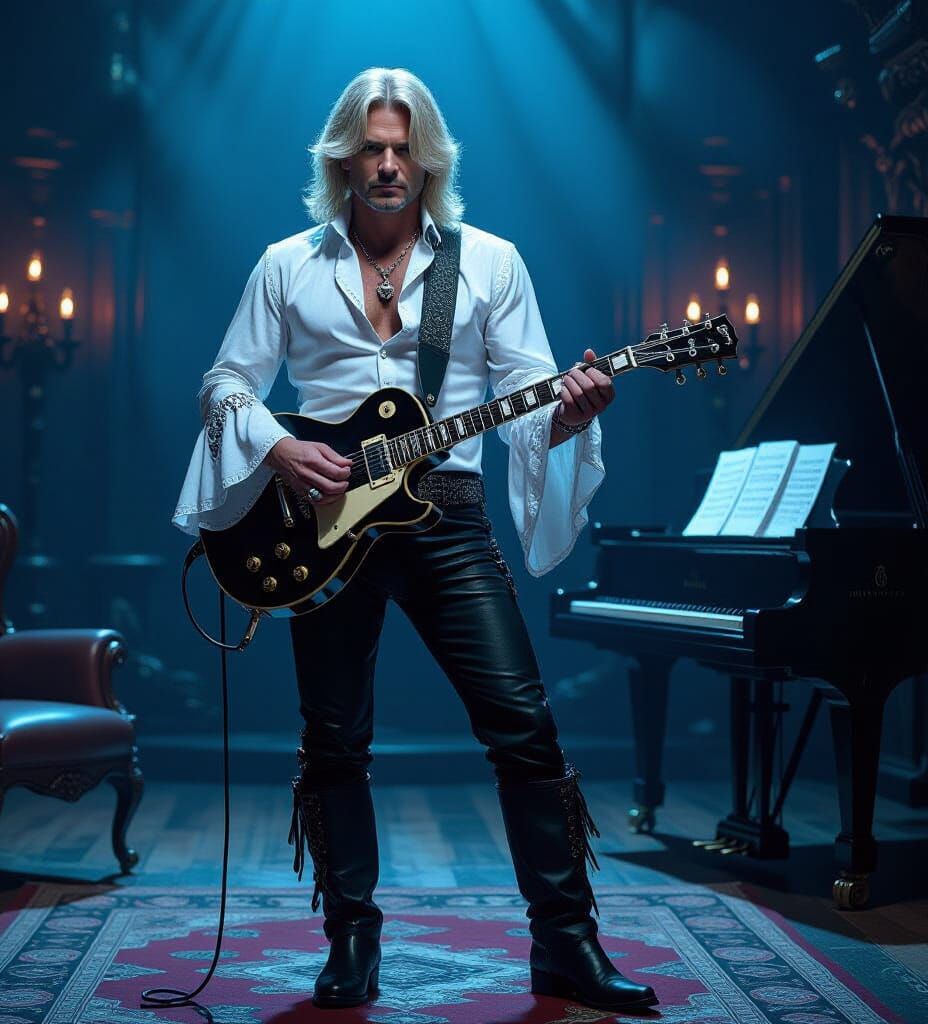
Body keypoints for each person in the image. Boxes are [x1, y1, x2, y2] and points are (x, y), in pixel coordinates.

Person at [173, 67, 657, 1014]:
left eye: (405, 149)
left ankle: (566, 943)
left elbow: (530, 407)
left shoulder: (491, 262)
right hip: (323, 523)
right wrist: (278, 447)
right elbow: (224, 383)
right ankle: (351, 942)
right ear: (342, 158)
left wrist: (572, 415)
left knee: (524, 728)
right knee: (333, 740)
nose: (389, 165)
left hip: (449, 519)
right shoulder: (287, 264)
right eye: (372, 148)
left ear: (428, 159)